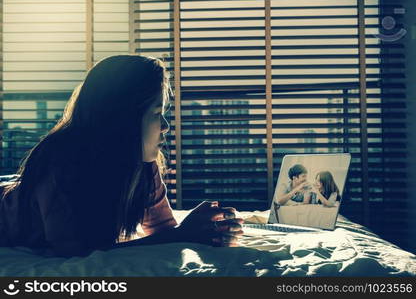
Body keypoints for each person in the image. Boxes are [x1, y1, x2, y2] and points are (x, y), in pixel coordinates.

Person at [0, 55, 244, 258]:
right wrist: (184, 235)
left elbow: (160, 230)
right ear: (124, 119)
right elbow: (73, 251)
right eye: (157, 112)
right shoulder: (61, 159)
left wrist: (207, 231)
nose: (166, 126)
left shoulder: (142, 164)